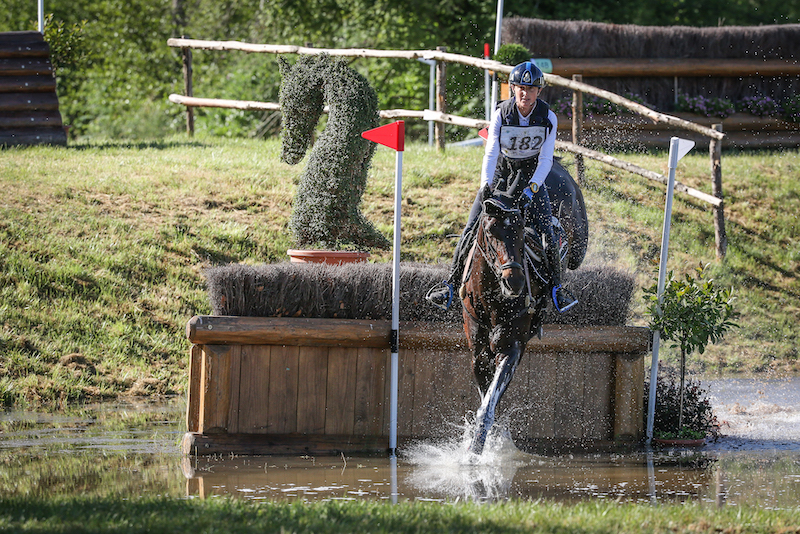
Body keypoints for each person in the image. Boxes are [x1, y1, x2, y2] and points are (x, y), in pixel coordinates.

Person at [426, 61, 578, 313]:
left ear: (538, 92)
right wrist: (486, 186)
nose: (525, 94)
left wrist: (533, 188)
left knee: (548, 233)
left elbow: (546, 159)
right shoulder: (501, 114)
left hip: (532, 177)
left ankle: (557, 289)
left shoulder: (547, 117)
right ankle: (450, 286)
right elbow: (491, 152)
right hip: (501, 176)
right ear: (512, 88)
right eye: (520, 88)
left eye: (530, 89)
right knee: (471, 228)